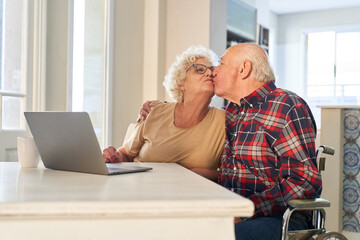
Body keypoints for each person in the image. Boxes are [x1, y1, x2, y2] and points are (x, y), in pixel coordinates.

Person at [139, 43, 321, 240]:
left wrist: (245, 210)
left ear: (244, 69)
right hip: (230, 208)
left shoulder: (286, 105)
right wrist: (159, 109)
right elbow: (193, 117)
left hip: (279, 218)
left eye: (221, 64)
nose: (214, 72)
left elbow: (304, 182)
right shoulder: (233, 112)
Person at [102, 45, 225, 181]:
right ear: (181, 83)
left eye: (212, 71)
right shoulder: (154, 111)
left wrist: (194, 174)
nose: (209, 73)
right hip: (140, 190)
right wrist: (113, 157)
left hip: (190, 197)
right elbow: (126, 154)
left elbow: (229, 174)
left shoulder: (223, 121)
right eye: (199, 70)